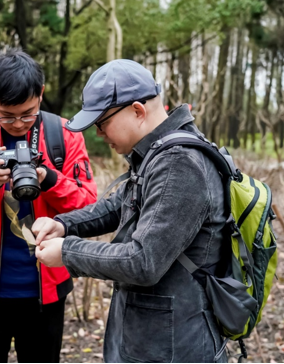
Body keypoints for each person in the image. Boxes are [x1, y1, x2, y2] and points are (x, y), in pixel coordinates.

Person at [32, 59, 228, 363]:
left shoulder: (180, 164)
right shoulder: (157, 153)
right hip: (151, 340)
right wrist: (63, 225)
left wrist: (67, 252)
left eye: (102, 123)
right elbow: (119, 206)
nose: (98, 133)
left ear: (137, 110)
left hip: (174, 347)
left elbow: (143, 261)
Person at [0, 50, 97, 363]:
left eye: (28, 113)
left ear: (41, 94)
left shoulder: (63, 135)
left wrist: (47, 178)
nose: (18, 124)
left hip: (47, 288)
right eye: (7, 115)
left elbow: (88, 205)